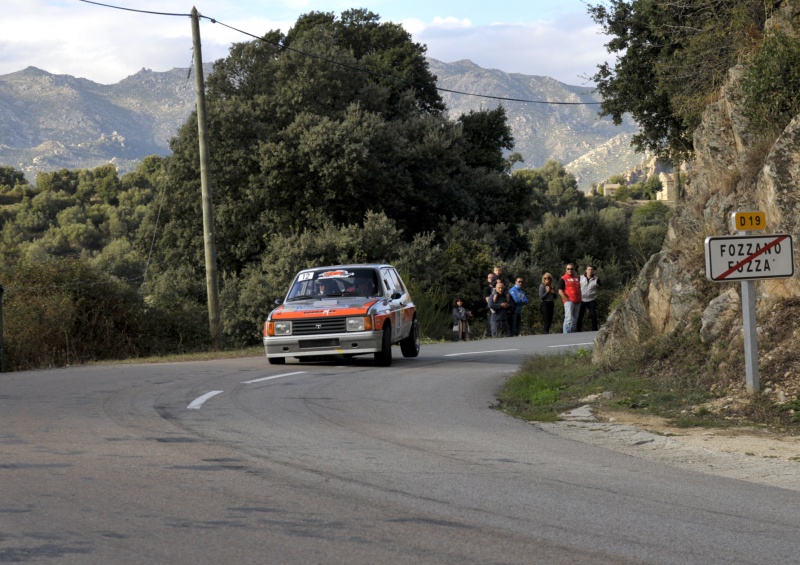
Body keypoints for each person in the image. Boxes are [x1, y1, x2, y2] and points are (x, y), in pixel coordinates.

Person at [558, 263, 581, 333]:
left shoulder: (577, 278)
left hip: (577, 301)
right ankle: (566, 333)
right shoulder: (563, 279)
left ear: (574, 269)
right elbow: (560, 291)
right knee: (568, 318)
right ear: (566, 270)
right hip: (569, 301)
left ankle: (572, 333)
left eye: (571, 269)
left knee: (575, 319)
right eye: (568, 269)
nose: (570, 270)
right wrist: (567, 299)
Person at [577, 265, 601, 331]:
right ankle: (578, 330)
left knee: (593, 315)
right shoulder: (580, 278)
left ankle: (594, 330)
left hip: (591, 299)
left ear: (593, 271)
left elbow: (600, 287)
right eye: (589, 269)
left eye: (591, 270)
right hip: (582, 299)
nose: (590, 271)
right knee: (580, 315)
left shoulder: (596, 279)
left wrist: (597, 288)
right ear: (586, 270)